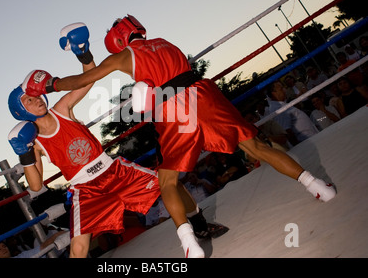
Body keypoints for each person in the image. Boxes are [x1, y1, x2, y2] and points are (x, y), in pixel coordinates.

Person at [23, 16, 336, 258]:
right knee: (256, 147)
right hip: (203, 93)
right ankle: (316, 185)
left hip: (174, 109)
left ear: (118, 41)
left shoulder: (123, 57)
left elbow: (83, 79)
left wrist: (48, 85)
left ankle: (190, 243)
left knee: (168, 182)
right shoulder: (166, 43)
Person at [7, 33, 161, 257]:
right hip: (85, 188)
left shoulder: (62, 108)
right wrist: (25, 153)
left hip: (112, 170)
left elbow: (89, 78)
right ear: (20, 110)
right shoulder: (35, 142)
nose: (37, 99)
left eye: (36, 95)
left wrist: (83, 53)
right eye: (29, 100)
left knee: (167, 184)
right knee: (78, 247)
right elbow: (36, 184)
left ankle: (197, 224)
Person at [266, 80, 319, 146]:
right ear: (274, 93)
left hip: (311, 139)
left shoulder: (281, 105)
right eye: (281, 89)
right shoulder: (278, 109)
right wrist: (300, 148)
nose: (284, 90)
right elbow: (287, 132)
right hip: (307, 143)